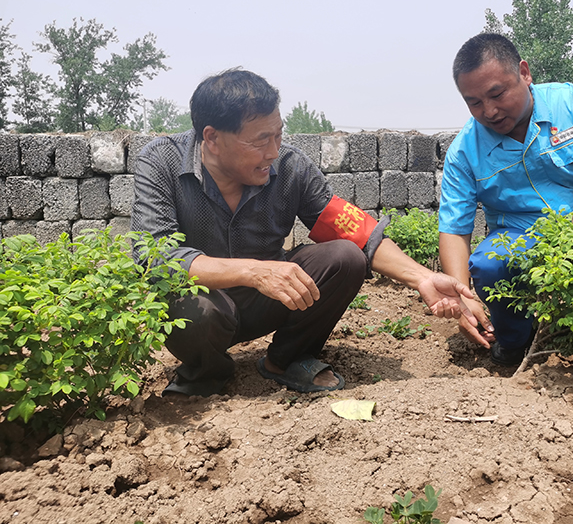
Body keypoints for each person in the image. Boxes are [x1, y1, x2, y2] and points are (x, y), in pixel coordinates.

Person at [131, 68, 476, 397]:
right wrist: (254, 271)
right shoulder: (162, 162)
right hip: (206, 303)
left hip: (270, 301)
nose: (273, 151)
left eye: (278, 135)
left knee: (345, 257)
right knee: (193, 309)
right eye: (261, 140)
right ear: (212, 138)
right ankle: (206, 374)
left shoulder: (290, 166)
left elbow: (352, 227)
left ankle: (286, 360)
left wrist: (422, 278)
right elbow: (155, 255)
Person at [438, 33, 573, 366]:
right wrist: (462, 297)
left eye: (498, 94)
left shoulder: (572, 102)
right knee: (490, 264)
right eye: (474, 102)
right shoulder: (464, 152)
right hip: (517, 237)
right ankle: (513, 343)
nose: (490, 111)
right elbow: (454, 229)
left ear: (524, 73)